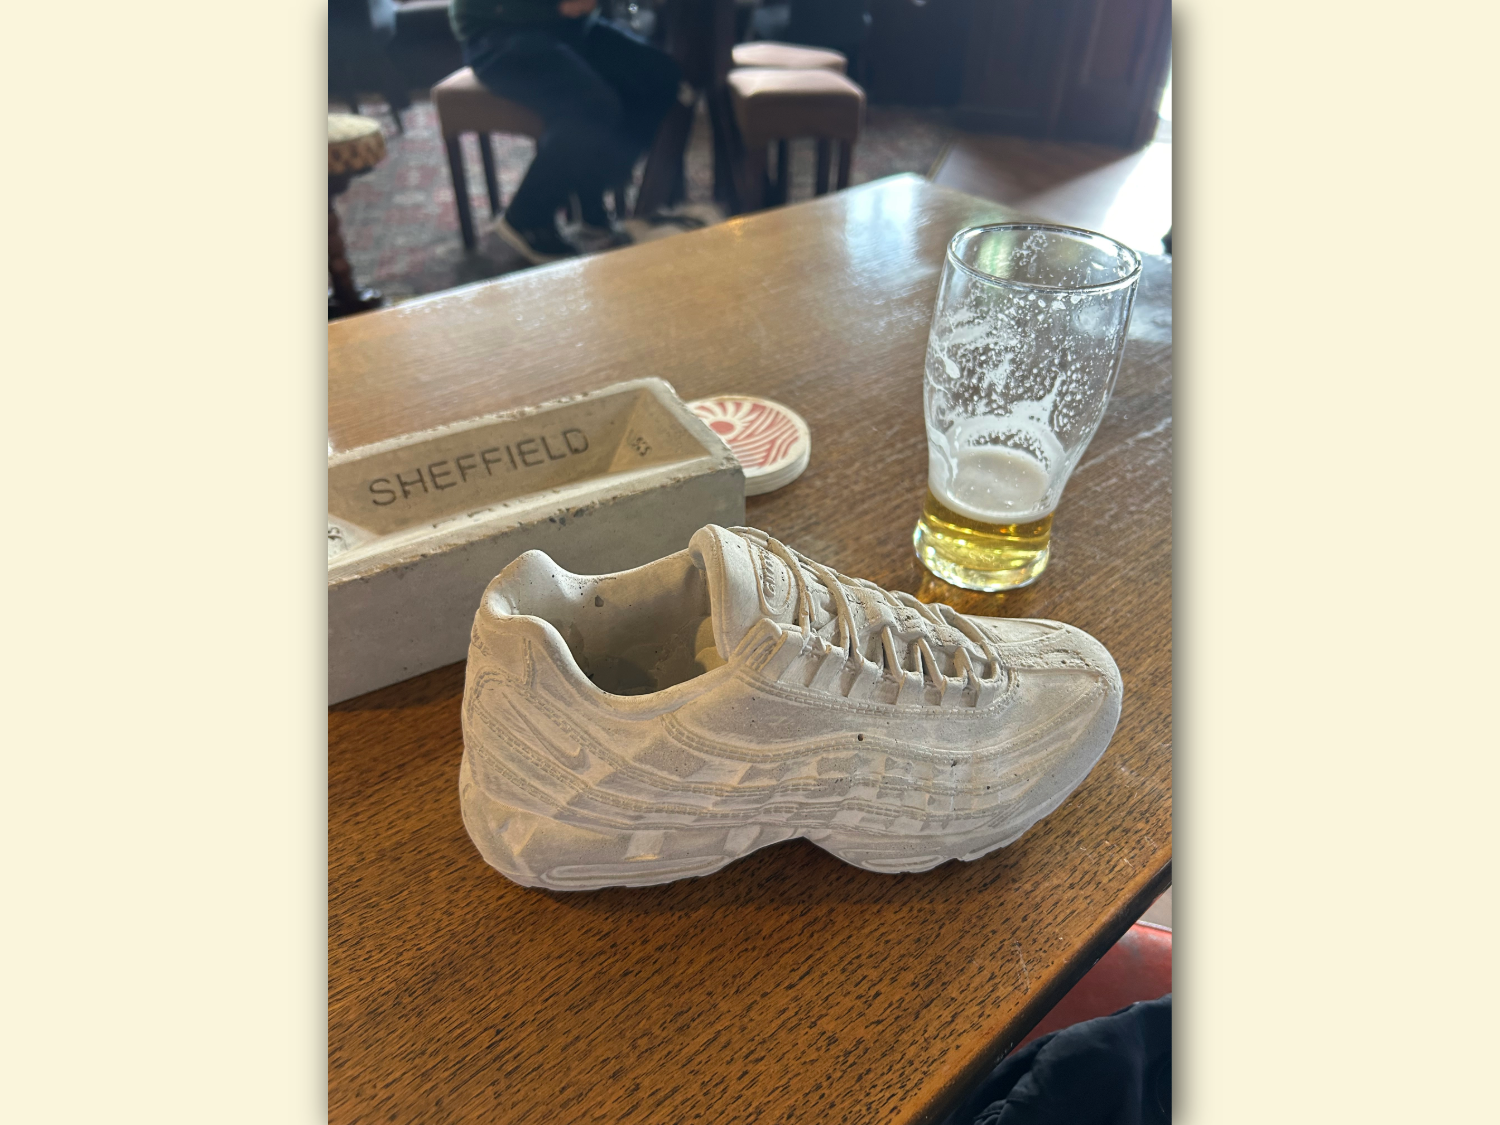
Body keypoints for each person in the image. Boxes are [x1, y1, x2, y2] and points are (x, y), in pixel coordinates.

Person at [449, 0, 684, 263]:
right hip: (497, 31)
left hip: (571, 27)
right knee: (592, 106)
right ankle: (527, 217)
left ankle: (591, 194)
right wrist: (553, 8)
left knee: (660, 77)